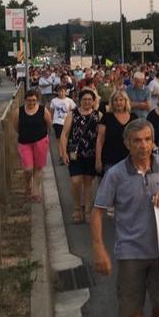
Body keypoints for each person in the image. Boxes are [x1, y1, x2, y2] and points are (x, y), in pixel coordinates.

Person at [91, 119, 159, 317]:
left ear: (153, 141)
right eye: (137, 141)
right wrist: (99, 249)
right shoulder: (115, 174)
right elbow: (97, 211)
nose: (144, 145)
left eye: (148, 140)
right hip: (130, 252)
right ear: (127, 144)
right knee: (132, 310)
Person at [59, 88, 100, 223]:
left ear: (94, 101)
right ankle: (77, 208)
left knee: (88, 183)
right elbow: (64, 134)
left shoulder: (98, 115)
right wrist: (63, 152)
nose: (87, 102)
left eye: (89, 99)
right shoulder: (73, 114)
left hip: (91, 153)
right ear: (79, 100)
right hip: (75, 153)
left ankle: (88, 210)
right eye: (84, 99)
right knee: (75, 181)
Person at [14, 89, 51, 202]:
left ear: (37, 100)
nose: (31, 103)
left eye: (34, 100)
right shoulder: (18, 111)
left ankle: (35, 192)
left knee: (38, 167)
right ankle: (27, 184)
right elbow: (15, 126)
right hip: (24, 143)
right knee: (28, 168)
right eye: (29, 100)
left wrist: (44, 135)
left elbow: (49, 123)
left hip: (40, 141)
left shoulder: (42, 110)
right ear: (25, 100)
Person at [96, 90, 137, 177]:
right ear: (112, 102)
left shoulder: (134, 117)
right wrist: (98, 160)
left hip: (130, 160)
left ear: (126, 101)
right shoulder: (106, 117)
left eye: (121, 100)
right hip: (110, 160)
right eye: (116, 100)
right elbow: (100, 140)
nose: (118, 102)